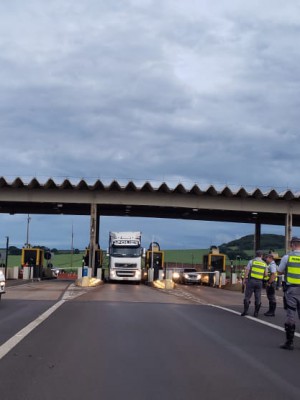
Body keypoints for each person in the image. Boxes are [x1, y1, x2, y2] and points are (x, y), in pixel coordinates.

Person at [277, 236, 300, 350]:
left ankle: (289, 342)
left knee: (291, 314)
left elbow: (279, 271)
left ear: (292, 245)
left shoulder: (287, 257)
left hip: (292, 290)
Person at [241, 250, 268, 317]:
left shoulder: (251, 262)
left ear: (256, 255)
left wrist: (244, 279)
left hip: (251, 281)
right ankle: (256, 313)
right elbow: (266, 274)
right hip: (259, 282)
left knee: (247, 296)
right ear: (262, 256)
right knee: (258, 297)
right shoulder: (264, 264)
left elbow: (247, 271)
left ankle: (245, 311)